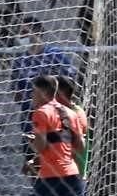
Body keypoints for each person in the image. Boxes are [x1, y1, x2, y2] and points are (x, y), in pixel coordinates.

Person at [10, 20, 77, 158]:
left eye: (25, 32)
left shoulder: (54, 54)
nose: (21, 37)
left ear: (38, 32)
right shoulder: (20, 60)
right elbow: (16, 92)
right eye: (19, 33)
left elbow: (71, 82)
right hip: (30, 119)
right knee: (33, 161)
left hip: (55, 118)